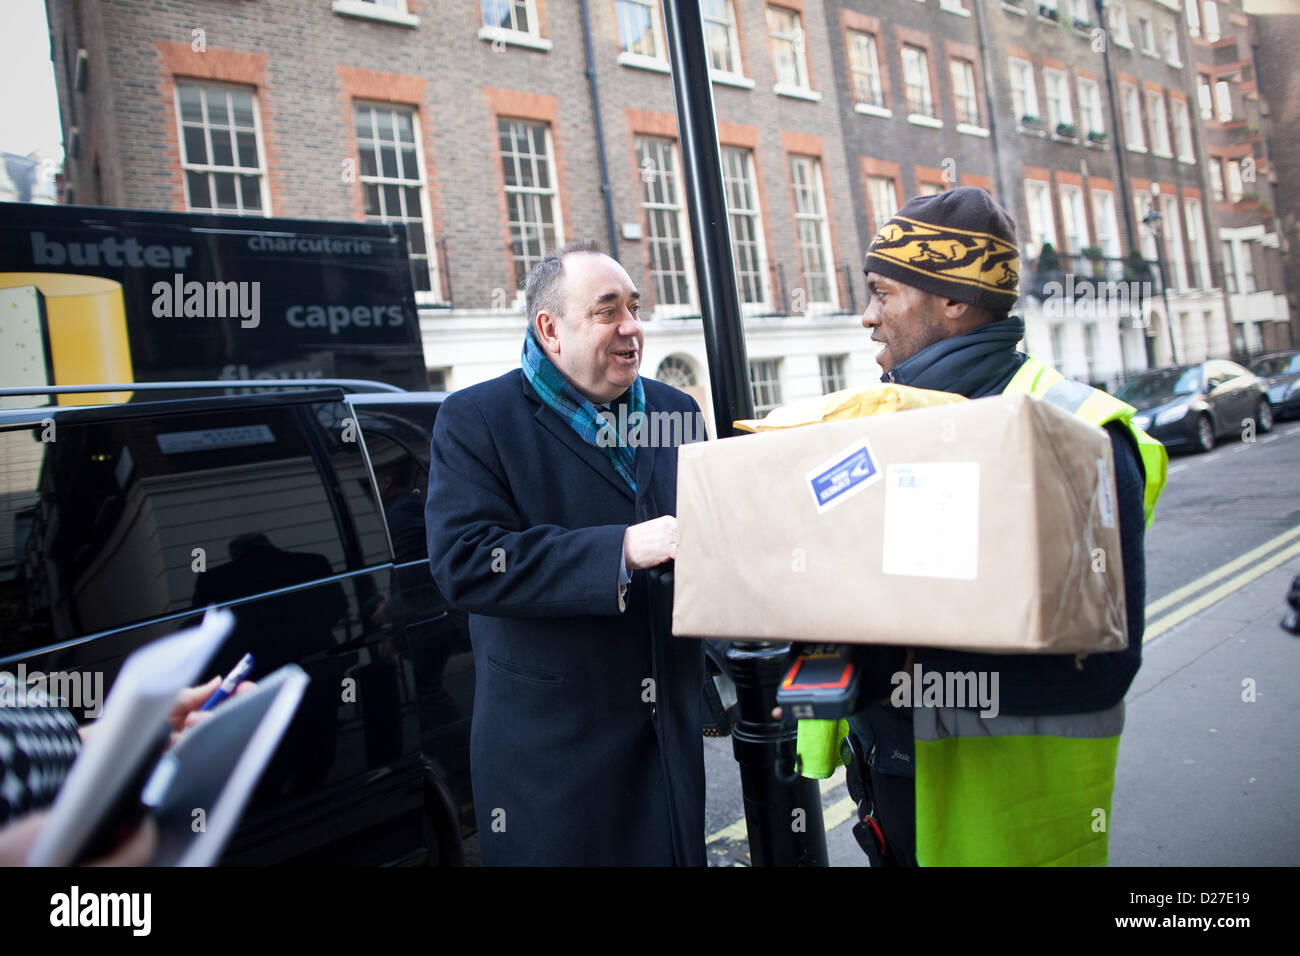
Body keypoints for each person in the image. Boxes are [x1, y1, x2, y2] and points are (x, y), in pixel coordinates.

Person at [799, 187, 1167, 866]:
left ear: (954, 301)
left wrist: (895, 670)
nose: (866, 317)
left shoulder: (1077, 431)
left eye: (883, 293)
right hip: (889, 789)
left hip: (1009, 823)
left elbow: (1101, 668)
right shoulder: (877, 420)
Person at [424, 240, 707, 866]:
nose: (632, 326)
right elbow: (466, 560)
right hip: (554, 758)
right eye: (608, 311)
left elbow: (705, 545)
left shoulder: (676, 411)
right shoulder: (476, 419)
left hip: (666, 739)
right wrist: (623, 550)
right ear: (550, 329)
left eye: (634, 307)